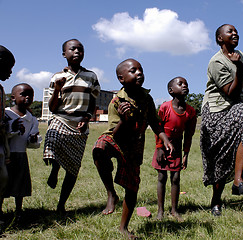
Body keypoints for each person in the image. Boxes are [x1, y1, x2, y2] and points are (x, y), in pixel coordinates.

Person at [92, 58, 174, 238]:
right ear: (121, 78)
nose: (139, 73)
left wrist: (165, 139)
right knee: (99, 147)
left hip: (134, 146)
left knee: (132, 187)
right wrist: (123, 119)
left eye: (141, 70)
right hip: (116, 139)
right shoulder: (116, 101)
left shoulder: (147, 98)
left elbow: (154, 122)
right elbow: (116, 134)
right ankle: (111, 193)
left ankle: (123, 228)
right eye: (133, 70)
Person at [200, 24, 243, 216]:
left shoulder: (240, 56)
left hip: (236, 108)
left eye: (236, 31)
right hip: (216, 112)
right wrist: (238, 66)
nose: (235, 33)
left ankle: (238, 180)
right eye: (229, 31)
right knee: (221, 158)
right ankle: (216, 201)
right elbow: (230, 91)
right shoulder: (216, 62)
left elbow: (239, 88)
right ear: (219, 39)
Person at [43, 39, 100, 213]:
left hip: (79, 124)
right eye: (72, 49)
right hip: (60, 118)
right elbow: (52, 107)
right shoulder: (57, 77)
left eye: (80, 49)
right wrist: (58, 89)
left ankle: (61, 204)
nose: (77, 52)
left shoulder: (91, 76)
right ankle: (54, 168)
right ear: (64, 54)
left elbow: (93, 101)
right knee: (51, 140)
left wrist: (88, 117)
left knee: (73, 167)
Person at [152, 77, 197, 221]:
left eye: (186, 84)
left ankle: (174, 210)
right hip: (163, 146)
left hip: (177, 146)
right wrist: (159, 147)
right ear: (171, 90)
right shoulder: (165, 107)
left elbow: (189, 135)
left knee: (176, 177)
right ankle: (160, 210)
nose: (184, 86)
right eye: (180, 84)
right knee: (161, 177)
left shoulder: (190, 111)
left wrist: (186, 154)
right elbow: (158, 128)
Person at [0, 83, 41, 220]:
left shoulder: (32, 119)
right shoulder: (6, 114)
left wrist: (33, 139)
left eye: (31, 95)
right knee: (2, 183)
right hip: (6, 154)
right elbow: (3, 133)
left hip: (21, 155)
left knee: (20, 184)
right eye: (23, 94)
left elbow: (31, 143)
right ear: (13, 97)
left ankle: (18, 211)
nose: (27, 98)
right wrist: (12, 128)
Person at [0, 45, 15, 223]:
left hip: (1, 142)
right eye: (9, 67)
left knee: (2, 179)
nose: (11, 72)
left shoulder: (1, 89)